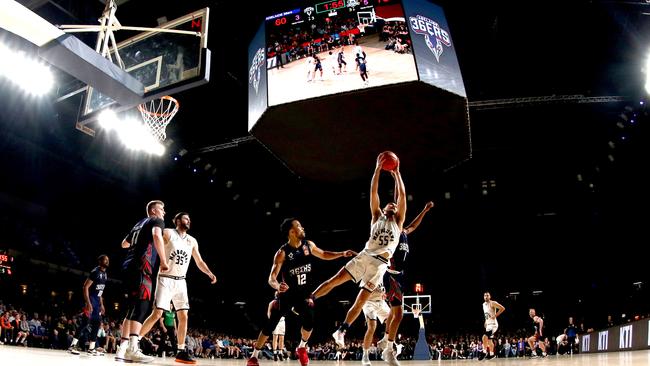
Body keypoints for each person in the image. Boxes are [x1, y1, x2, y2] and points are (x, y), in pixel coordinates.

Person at [310, 153, 406, 366]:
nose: (391, 205)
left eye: (393, 205)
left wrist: (397, 174)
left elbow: (402, 197)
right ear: (384, 208)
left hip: (380, 264)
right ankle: (310, 299)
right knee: (335, 280)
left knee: (362, 299)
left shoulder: (398, 222)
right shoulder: (376, 216)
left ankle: (342, 331)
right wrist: (377, 170)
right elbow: (373, 191)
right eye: (388, 204)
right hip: (364, 256)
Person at [246, 218, 356, 366]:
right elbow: (271, 278)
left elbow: (324, 254)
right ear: (292, 231)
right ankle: (254, 356)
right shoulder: (282, 253)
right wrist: (277, 286)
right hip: (287, 295)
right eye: (299, 226)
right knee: (271, 324)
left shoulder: (308, 245)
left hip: (304, 295)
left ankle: (302, 347)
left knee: (310, 321)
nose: (302, 228)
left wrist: (342, 254)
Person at [138, 212, 217, 364]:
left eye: (189, 219)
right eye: (186, 218)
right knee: (157, 314)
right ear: (178, 220)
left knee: (184, 316)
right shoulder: (168, 232)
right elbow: (154, 237)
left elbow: (199, 261)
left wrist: (209, 273)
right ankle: (134, 342)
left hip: (181, 281)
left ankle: (180, 351)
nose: (189, 221)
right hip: (165, 278)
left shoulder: (192, 240)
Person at [377, 198, 433, 356]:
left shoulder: (403, 231)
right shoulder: (389, 230)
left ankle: (385, 338)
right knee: (399, 313)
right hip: (391, 274)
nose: (395, 208)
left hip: (400, 276)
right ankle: (388, 348)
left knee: (393, 312)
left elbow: (413, 225)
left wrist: (425, 210)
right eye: (392, 207)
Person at [115, 200, 169, 363]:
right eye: (162, 209)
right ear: (153, 211)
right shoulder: (156, 220)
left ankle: (122, 349)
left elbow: (124, 244)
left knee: (131, 308)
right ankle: (133, 349)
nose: (164, 212)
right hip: (142, 266)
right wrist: (164, 261)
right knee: (142, 305)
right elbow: (156, 235)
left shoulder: (138, 224)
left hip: (128, 265)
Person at [69, 255, 110, 356]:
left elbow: (100, 291)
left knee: (96, 324)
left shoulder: (105, 274)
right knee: (85, 323)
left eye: (108, 260)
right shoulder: (95, 272)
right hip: (91, 301)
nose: (107, 261)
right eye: (105, 260)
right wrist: (88, 303)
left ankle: (91, 349)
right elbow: (85, 287)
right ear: (100, 261)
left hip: (97, 303)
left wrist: (102, 304)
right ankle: (72, 345)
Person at [361, 286, 390, 366]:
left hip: (381, 302)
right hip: (369, 302)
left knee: (392, 321)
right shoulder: (366, 274)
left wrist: (384, 293)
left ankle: (385, 340)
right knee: (372, 327)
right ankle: (365, 355)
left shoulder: (384, 274)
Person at [478, 292, 505, 360]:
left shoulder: (493, 303)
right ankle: (492, 354)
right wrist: (485, 321)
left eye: (487, 295)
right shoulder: (483, 304)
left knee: (484, 337)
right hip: (488, 324)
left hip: (493, 325)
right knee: (489, 340)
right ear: (483, 297)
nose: (486, 296)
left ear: (490, 296)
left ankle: (484, 352)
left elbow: (502, 308)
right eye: (485, 295)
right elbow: (486, 315)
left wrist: (495, 316)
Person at [267, 295, 285, 361]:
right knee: (275, 337)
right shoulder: (272, 302)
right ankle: (274, 353)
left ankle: (280, 353)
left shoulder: (283, 302)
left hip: (282, 320)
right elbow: (268, 312)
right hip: (275, 320)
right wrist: (270, 319)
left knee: (282, 337)